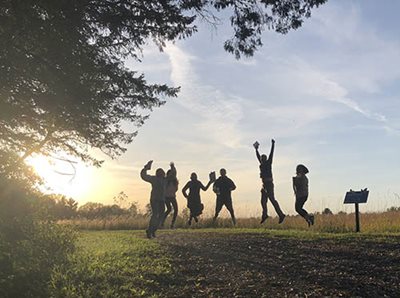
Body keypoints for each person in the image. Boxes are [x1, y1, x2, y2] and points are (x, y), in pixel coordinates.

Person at [254, 139, 286, 224]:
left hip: (269, 184)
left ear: (265, 159)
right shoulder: (261, 164)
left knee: (272, 199)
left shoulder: (268, 163)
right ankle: (264, 215)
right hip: (264, 185)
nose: (261, 159)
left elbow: (272, 153)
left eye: (262, 158)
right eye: (261, 158)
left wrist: (273, 144)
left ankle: (281, 214)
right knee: (263, 201)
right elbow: (258, 156)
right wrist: (256, 149)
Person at [140, 160, 166, 239]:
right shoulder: (154, 179)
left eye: (162, 172)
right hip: (155, 199)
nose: (161, 173)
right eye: (160, 172)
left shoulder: (165, 180)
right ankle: (150, 230)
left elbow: (172, 176)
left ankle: (153, 230)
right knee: (155, 214)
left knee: (161, 215)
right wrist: (146, 168)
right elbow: (144, 176)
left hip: (161, 199)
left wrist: (173, 168)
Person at [161, 162, 179, 229]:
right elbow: (173, 172)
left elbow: (174, 173)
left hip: (173, 197)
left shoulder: (174, 181)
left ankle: (172, 224)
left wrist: (173, 167)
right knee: (169, 209)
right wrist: (172, 167)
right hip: (166, 197)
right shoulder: (166, 180)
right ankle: (162, 222)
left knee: (176, 210)